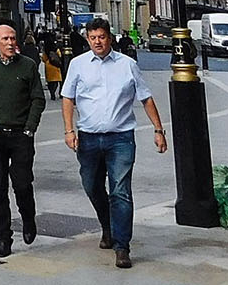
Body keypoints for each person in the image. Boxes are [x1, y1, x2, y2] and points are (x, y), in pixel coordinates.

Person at [61, 17, 167, 270]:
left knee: (120, 191)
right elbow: (68, 98)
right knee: (91, 185)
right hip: (87, 137)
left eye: (102, 37)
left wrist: (158, 129)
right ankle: (107, 225)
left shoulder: (127, 65)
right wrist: (68, 130)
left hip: (120, 138)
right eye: (93, 37)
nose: (97, 42)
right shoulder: (78, 65)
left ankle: (122, 246)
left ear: (110, 38)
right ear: (88, 39)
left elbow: (146, 98)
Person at [0, 23, 46, 259]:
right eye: (5, 38)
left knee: (22, 184)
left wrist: (29, 128)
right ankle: (3, 238)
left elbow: (38, 99)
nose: (10, 42)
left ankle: (28, 218)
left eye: (13, 38)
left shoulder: (28, 66)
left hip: (20, 136)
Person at [42, 33, 65, 100]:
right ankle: (54, 92)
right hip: (55, 66)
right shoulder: (55, 48)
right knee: (56, 81)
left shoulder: (45, 49)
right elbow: (60, 55)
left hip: (48, 65)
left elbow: (44, 58)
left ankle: (52, 93)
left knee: (50, 82)